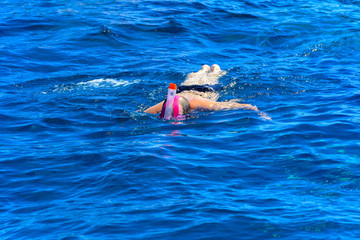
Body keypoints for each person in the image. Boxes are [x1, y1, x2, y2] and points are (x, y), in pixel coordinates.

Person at [145, 64, 270, 120]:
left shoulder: (199, 103)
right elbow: (141, 114)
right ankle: (203, 69)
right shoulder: (165, 104)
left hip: (205, 90)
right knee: (194, 76)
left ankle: (215, 69)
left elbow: (229, 105)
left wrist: (256, 110)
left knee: (214, 73)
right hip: (184, 89)